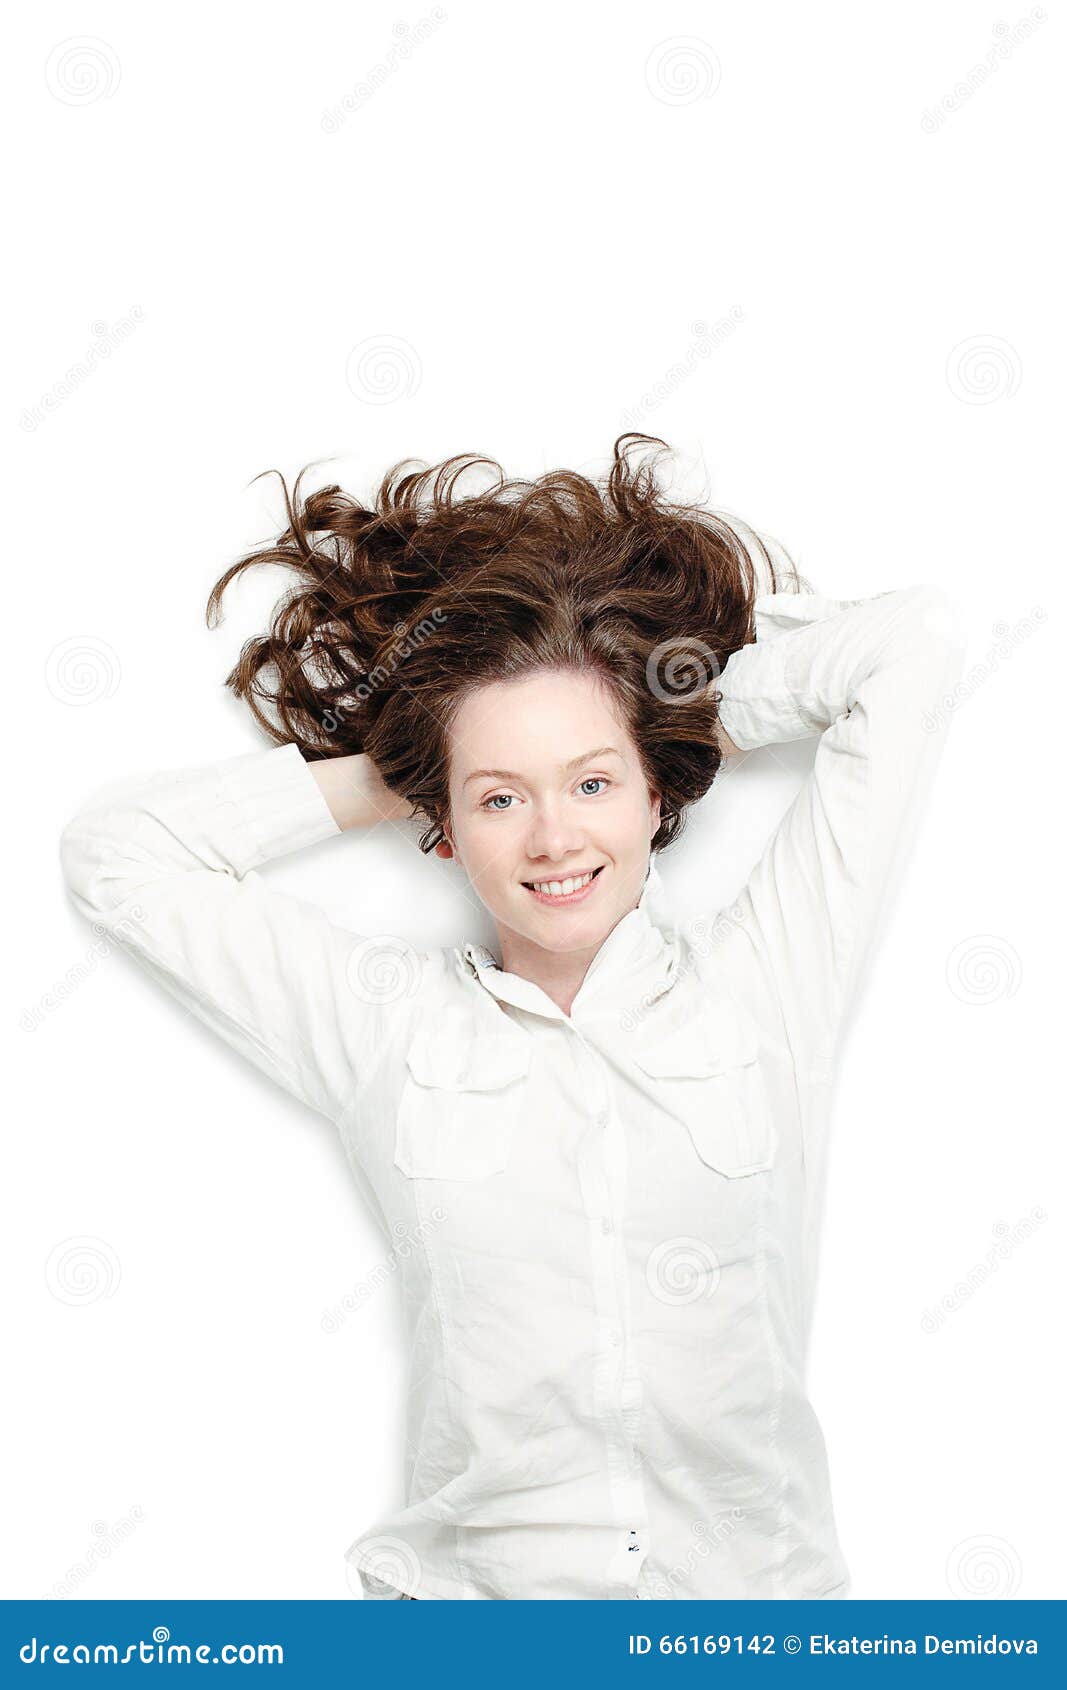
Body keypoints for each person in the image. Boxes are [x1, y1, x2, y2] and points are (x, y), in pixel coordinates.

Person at [58, 434, 966, 1600]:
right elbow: (116, 855)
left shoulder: (766, 987)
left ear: (650, 800)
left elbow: (915, 646)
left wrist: (663, 720)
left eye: (592, 785)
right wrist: (416, 763)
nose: (551, 839)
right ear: (447, 828)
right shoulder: (388, 1032)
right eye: (499, 801)